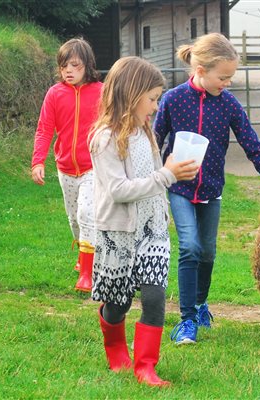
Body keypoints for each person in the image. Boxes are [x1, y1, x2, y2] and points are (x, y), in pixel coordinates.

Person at [154, 32, 260, 345]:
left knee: (207, 252)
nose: (228, 82)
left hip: (211, 190)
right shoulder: (172, 99)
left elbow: (253, 146)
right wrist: (154, 176)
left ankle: (199, 303)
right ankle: (187, 321)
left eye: (231, 77)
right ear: (201, 71)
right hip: (179, 188)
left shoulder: (229, 105)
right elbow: (153, 142)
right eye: (223, 77)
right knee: (190, 247)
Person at [89, 56, 198, 386]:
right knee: (118, 303)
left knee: (153, 298)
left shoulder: (146, 132)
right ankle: (115, 348)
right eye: (152, 98)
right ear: (131, 94)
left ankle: (146, 366)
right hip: (118, 234)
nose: (155, 106)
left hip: (152, 230)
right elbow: (120, 190)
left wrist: (167, 170)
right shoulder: (104, 138)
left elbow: (151, 177)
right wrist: (166, 175)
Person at [31, 38, 102, 292]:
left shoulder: (102, 92)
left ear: (87, 65)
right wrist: (38, 162)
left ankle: (87, 274)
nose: (68, 71)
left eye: (74, 65)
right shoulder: (54, 93)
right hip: (65, 169)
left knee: (87, 214)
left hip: (93, 167)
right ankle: (84, 254)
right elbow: (44, 130)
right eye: (63, 66)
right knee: (74, 219)